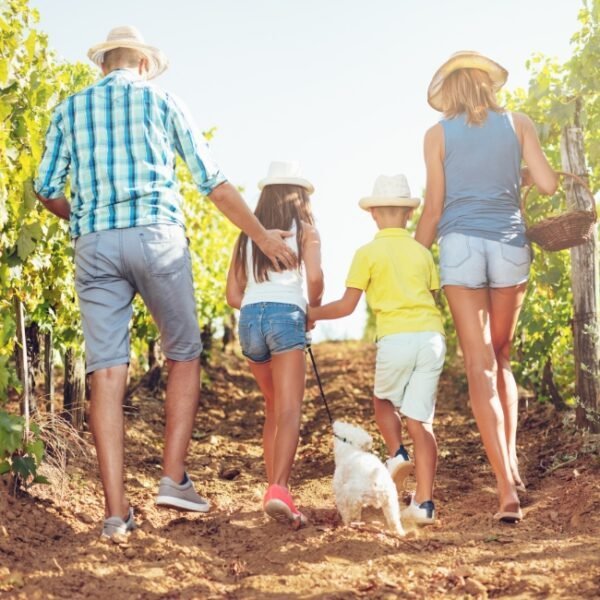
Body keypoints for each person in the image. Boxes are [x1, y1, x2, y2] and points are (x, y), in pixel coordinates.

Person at [34, 26, 296, 538]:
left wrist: (87, 218)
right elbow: (213, 183)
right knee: (183, 352)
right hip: (158, 237)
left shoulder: (70, 108)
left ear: (102, 65)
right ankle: (173, 477)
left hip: (95, 245)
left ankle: (115, 515)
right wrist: (263, 238)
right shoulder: (163, 101)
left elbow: (45, 189)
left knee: (106, 372)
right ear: (144, 64)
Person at [415, 51, 558, 523]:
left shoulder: (436, 136)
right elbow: (548, 184)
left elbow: (433, 207)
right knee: (502, 359)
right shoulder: (518, 123)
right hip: (509, 244)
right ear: (489, 86)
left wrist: (417, 261)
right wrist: (514, 175)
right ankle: (513, 466)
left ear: (450, 92)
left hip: (459, 247)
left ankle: (504, 490)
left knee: (479, 367)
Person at [308, 174, 446, 525]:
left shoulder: (367, 253)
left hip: (395, 338)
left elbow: (346, 306)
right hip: (431, 338)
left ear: (373, 215)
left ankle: (396, 453)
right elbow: (431, 298)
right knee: (421, 422)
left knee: (383, 401)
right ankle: (424, 504)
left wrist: (313, 314)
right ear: (408, 215)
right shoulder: (421, 253)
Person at [226, 161, 324, 528]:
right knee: (289, 409)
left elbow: (232, 295)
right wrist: (309, 307)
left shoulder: (246, 237)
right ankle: (280, 489)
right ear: (300, 197)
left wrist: (259, 304)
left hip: (250, 319)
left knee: (271, 407)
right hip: (287, 317)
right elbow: (313, 276)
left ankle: (273, 488)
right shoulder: (306, 232)